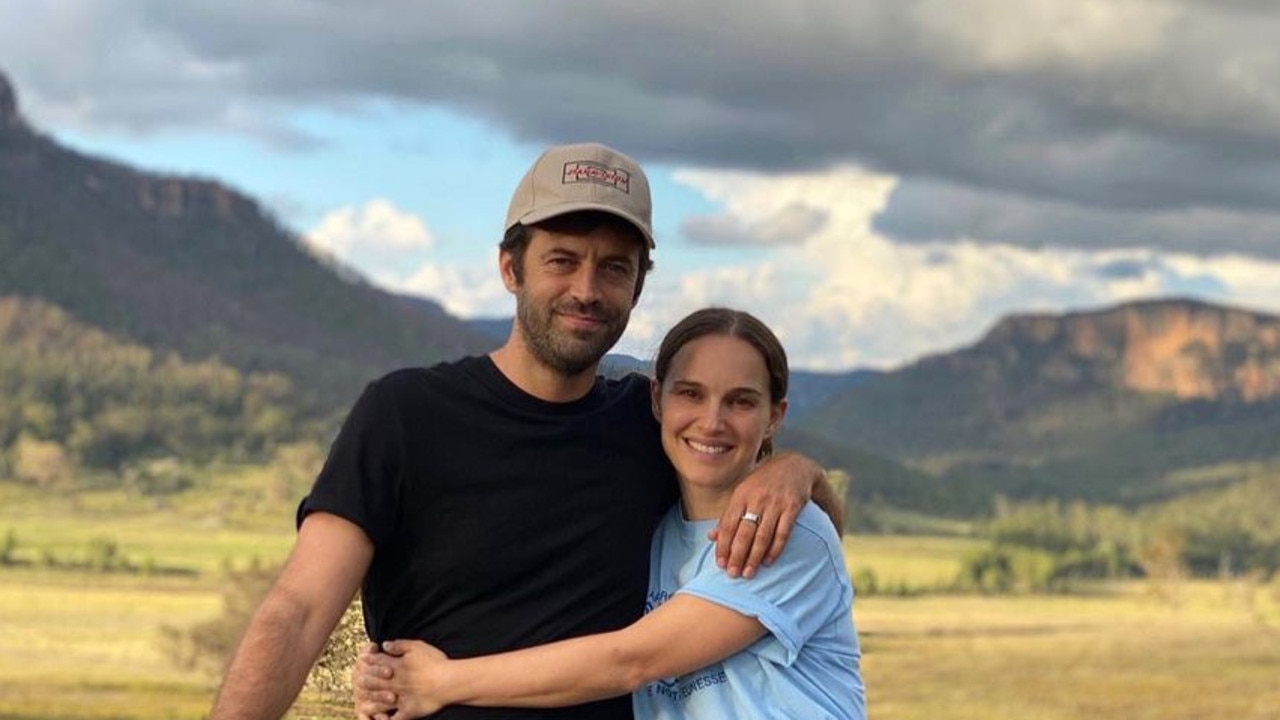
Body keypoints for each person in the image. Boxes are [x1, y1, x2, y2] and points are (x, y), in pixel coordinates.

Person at [208, 143, 834, 720]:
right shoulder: (405, 415)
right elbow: (299, 611)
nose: (587, 290)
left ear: (638, 288)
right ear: (511, 267)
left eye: (614, 269)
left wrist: (791, 470)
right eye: (562, 260)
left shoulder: (650, 427)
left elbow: (792, 513)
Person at [352, 307, 866, 720]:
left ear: (775, 415)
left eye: (741, 402)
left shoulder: (785, 531)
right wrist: (385, 671)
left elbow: (629, 661)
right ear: (657, 401)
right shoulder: (659, 529)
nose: (712, 422)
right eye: (690, 393)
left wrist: (438, 682)